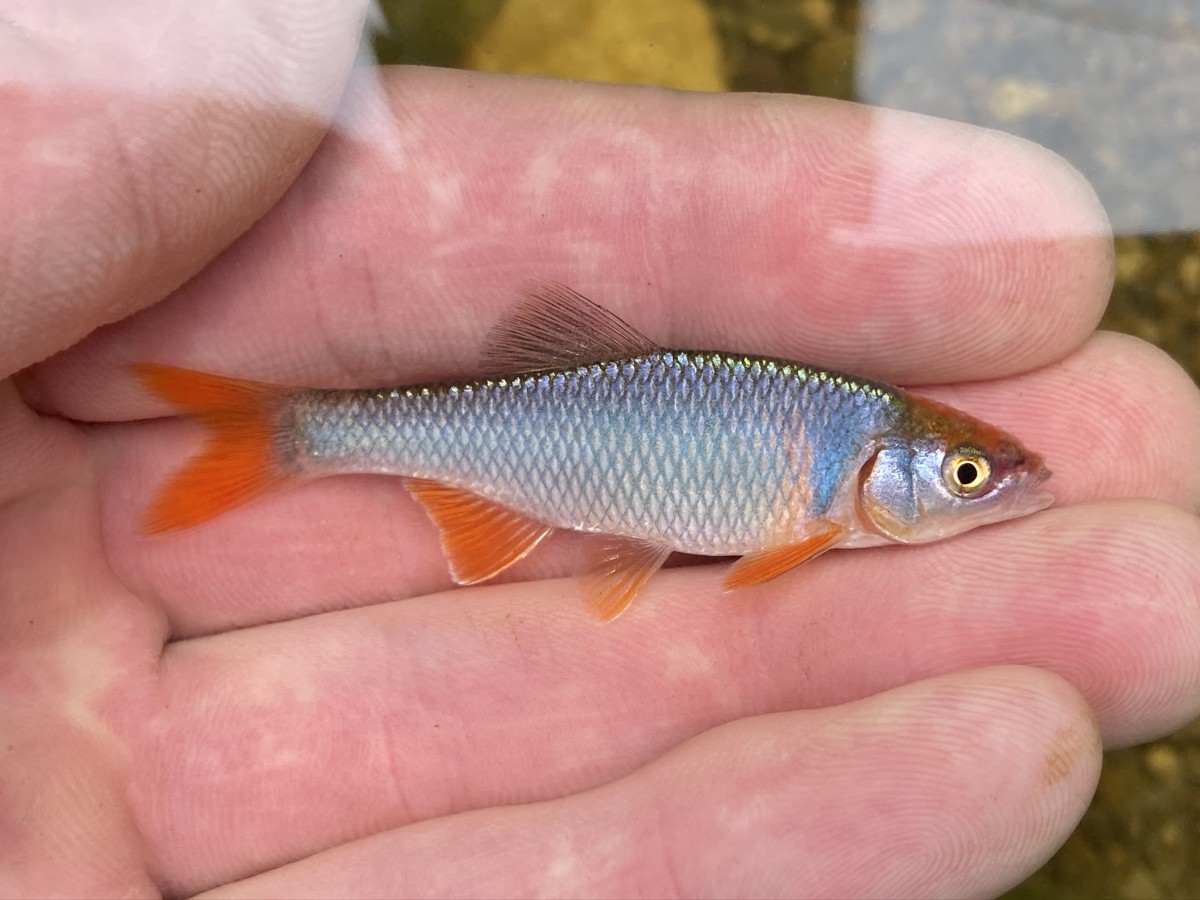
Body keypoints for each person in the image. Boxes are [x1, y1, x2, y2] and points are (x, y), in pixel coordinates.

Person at [3, 5, 1199, 897]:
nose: (977, 488)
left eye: (968, 474)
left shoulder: (836, 468)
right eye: (967, 476)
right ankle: (292, 440)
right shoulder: (827, 476)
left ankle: (292, 438)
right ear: (891, 468)